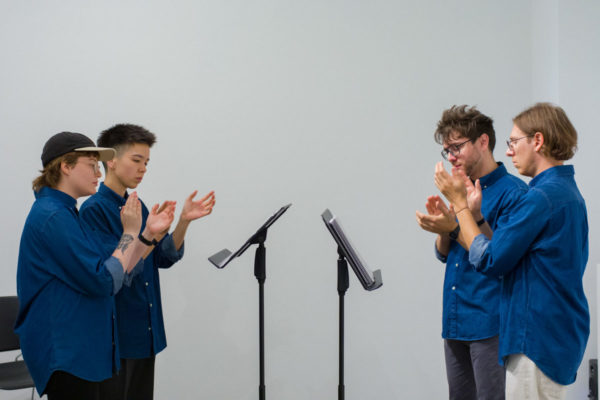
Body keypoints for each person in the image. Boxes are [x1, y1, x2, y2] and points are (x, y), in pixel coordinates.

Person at [434, 102, 589, 399]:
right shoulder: (565, 192)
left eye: (514, 142)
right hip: (551, 334)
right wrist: (465, 218)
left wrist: (461, 207)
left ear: (538, 141)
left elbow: (490, 259)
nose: (508, 151)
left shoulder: (539, 197)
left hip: (535, 337)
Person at [15, 132, 175, 399]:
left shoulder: (66, 213)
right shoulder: (53, 218)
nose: (98, 174)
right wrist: (129, 233)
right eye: (90, 165)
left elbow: (116, 269)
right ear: (65, 166)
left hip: (82, 351)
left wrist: (145, 236)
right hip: (69, 355)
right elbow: (104, 280)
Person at [80, 123, 215, 400]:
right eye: (137, 160)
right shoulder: (94, 209)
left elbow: (165, 256)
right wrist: (144, 235)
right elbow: (113, 271)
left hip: (145, 327)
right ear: (112, 161)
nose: (143, 169)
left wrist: (183, 222)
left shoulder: (137, 205)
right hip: (118, 333)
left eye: (147, 163)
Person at [416, 105, 527, 400]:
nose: (451, 156)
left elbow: (497, 257)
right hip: (455, 318)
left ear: (483, 141)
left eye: (457, 147)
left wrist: (456, 225)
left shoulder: (513, 193)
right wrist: (443, 226)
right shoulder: (459, 188)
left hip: (490, 322)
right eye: (446, 150)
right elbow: (444, 254)